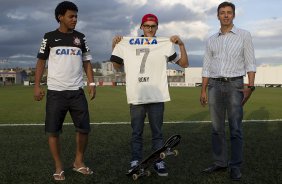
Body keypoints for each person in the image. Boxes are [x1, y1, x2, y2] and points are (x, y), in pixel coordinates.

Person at [110, 13, 188, 176]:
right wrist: (115, 46)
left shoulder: (164, 44)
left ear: (157, 27)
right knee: (136, 132)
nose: (150, 29)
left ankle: (158, 161)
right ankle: (135, 161)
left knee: (157, 133)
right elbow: (116, 66)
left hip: (156, 95)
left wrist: (181, 44)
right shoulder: (128, 43)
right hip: (137, 95)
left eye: (153, 26)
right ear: (141, 27)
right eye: (147, 26)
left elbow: (184, 64)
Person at [34, 1, 96, 181]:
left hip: (77, 91)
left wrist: (91, 84)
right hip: (55, 92)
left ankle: (78, 162)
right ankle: (58, 167)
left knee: (84, 129)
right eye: (71, 16)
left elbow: (87, 62)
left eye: (76, 16)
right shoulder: (49, 37)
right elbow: (40, 62)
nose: (75, 19)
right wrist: (37, 85)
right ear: (60, 17)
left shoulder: (81, 37)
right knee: (53, 131)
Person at [200, 1, 256, 181]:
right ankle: (220, 162)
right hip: (214, 86)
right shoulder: (211, 40)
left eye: (229, 12)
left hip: (235, 85)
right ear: (217, 16)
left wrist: (250, 86)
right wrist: (203, 90)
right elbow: (207, 67)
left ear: (233, 15)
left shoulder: (244, 35)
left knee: (235, 128)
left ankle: (235, 166)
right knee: (216, 128)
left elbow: (250, 62)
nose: (225, 15)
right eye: (222, 12)